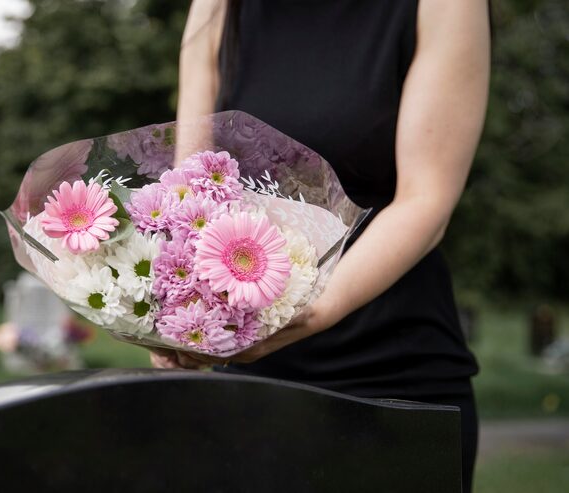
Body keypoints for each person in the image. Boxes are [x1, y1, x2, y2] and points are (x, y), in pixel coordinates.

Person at [151, 1, 490, 491]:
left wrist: (309, 308)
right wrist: (172, 311)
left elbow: (427, 201)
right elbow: (192, 193)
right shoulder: (218, 6)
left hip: (388, 388)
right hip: (241, 387)